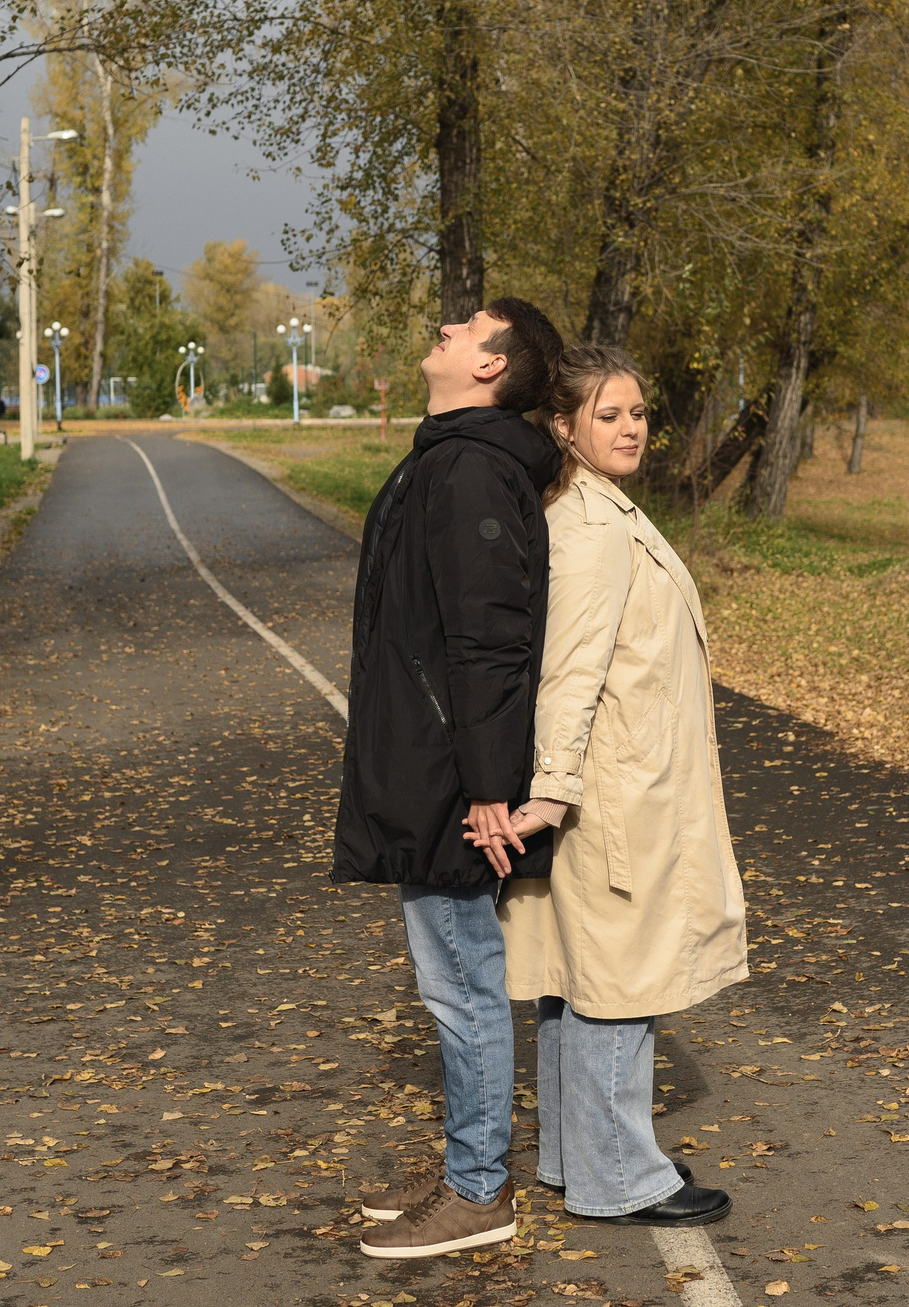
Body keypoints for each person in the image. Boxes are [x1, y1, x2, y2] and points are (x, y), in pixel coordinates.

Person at [483, 345, 746, 1226]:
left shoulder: (600, 507)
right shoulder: (591, 528)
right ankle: (619, 1177)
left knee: (580, 979)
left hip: (621, 786)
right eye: (609, 415)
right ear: (563, 426)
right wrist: (554, 790)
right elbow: (570, 670)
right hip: (610, 797)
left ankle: (576, 1158)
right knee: (617, 988)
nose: (630, 427)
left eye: (637, 412)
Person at [335, 297, 566, 1260]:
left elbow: (489, 639)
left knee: (463, 981)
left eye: (467, 326)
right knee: (450, 976)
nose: (445, 326)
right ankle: (465, 1170)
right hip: (430, 757)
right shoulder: (452, 452)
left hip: (449, 773)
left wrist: (484, 784)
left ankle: (479, 1190)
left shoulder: (470, 465)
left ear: (491, 367)